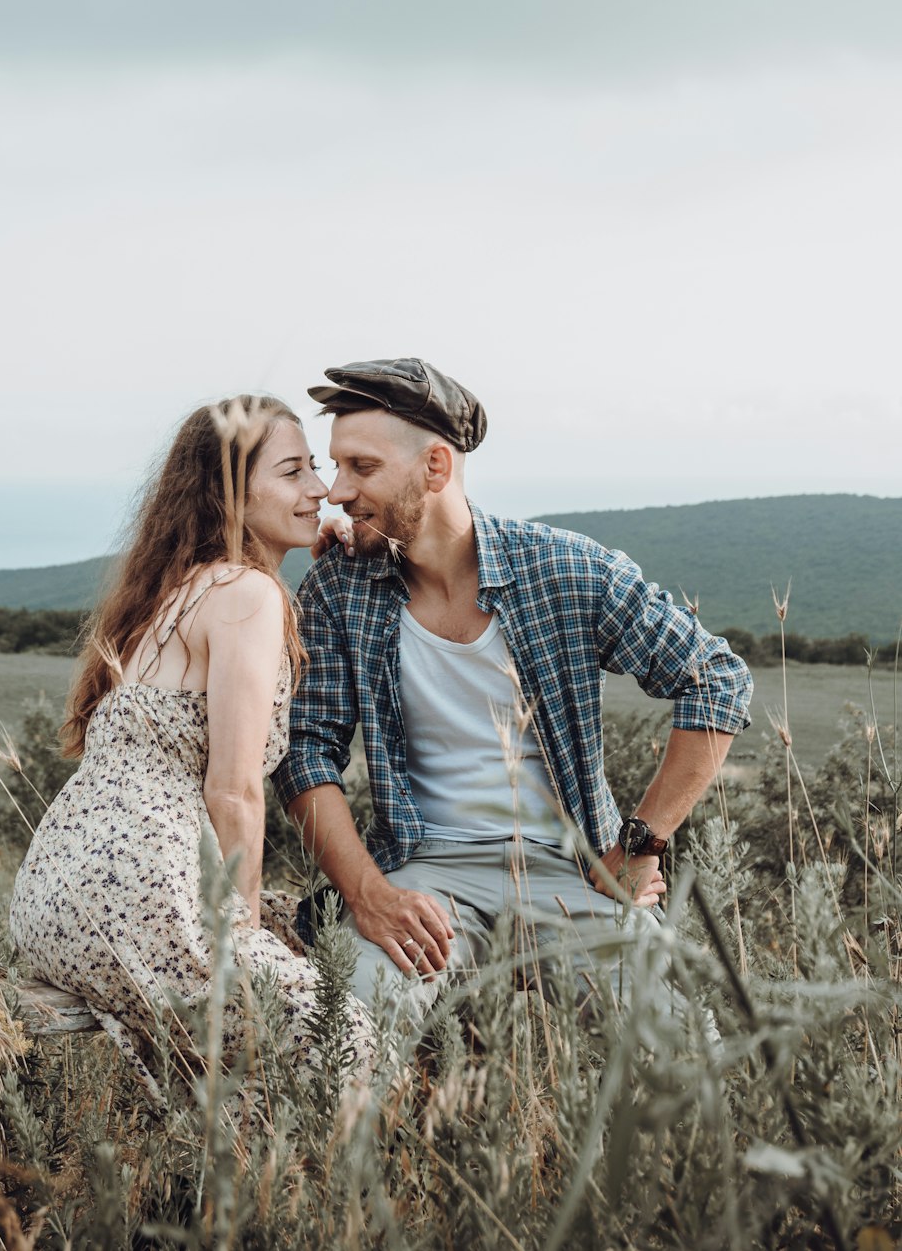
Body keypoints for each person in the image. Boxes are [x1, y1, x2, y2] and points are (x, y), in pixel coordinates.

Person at [271, 358, 754, 1018]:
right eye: (337, 465)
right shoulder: (338, 586)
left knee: (673, 1055)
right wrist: (366, 894)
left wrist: (642, 842)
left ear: (435, 468)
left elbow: (716, 679)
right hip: (422, 871)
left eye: (362, 467)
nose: (336, 490)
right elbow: (304, 748)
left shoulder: (566, 569)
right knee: (350, 1034)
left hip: (571, 872)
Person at [9, 395, 376, 1091]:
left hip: (54, 892)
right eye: (294, 473)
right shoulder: (246, 593)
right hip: (140, 889)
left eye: (315, 469)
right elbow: (232, 790)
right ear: (232, 492)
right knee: (338, 1031)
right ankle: (316, 1197)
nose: (320, 490)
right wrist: (242, 928)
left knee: (242, 1034)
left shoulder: (173, 589)